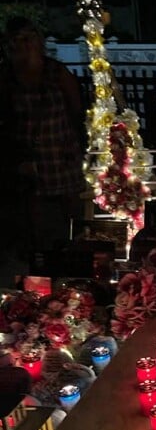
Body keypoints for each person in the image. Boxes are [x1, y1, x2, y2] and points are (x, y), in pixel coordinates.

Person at [0, 16, 87, 257]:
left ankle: (78, 251)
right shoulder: (7, 77)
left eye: (28, 39)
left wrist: (75, 145)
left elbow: (76, 109)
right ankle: (41, 257)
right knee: (34, 212)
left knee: (71, 206)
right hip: (29, 157)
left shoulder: (56, 72)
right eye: (17, 41)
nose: (23, 46)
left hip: (61, 151)